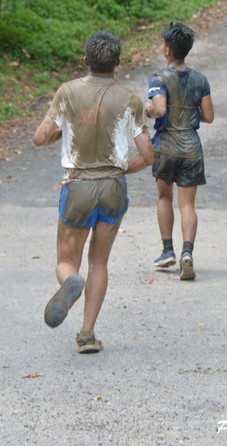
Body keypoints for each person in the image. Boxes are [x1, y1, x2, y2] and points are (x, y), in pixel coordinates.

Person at [33, 31, 153, 354]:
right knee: (99, 261)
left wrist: (63, 130)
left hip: (78, 186)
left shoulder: (67, 92)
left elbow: (40, 137)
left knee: (66, 260)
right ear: (117, 63)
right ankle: (87, 334)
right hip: (113, 188)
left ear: (85, 60)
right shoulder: (130, 99)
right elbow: (147, 155)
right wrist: (120, 170)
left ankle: (70, 281)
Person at [145, 22, 214, 280]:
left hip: (166, 146)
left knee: (164, 197)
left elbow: (159, 109)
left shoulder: (158, 79)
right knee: (187, 204)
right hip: (191, 147)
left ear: (167, 50)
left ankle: (167, 251)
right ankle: (187, 253)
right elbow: (208, 116)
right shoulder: (200, 80)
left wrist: (148, 109)